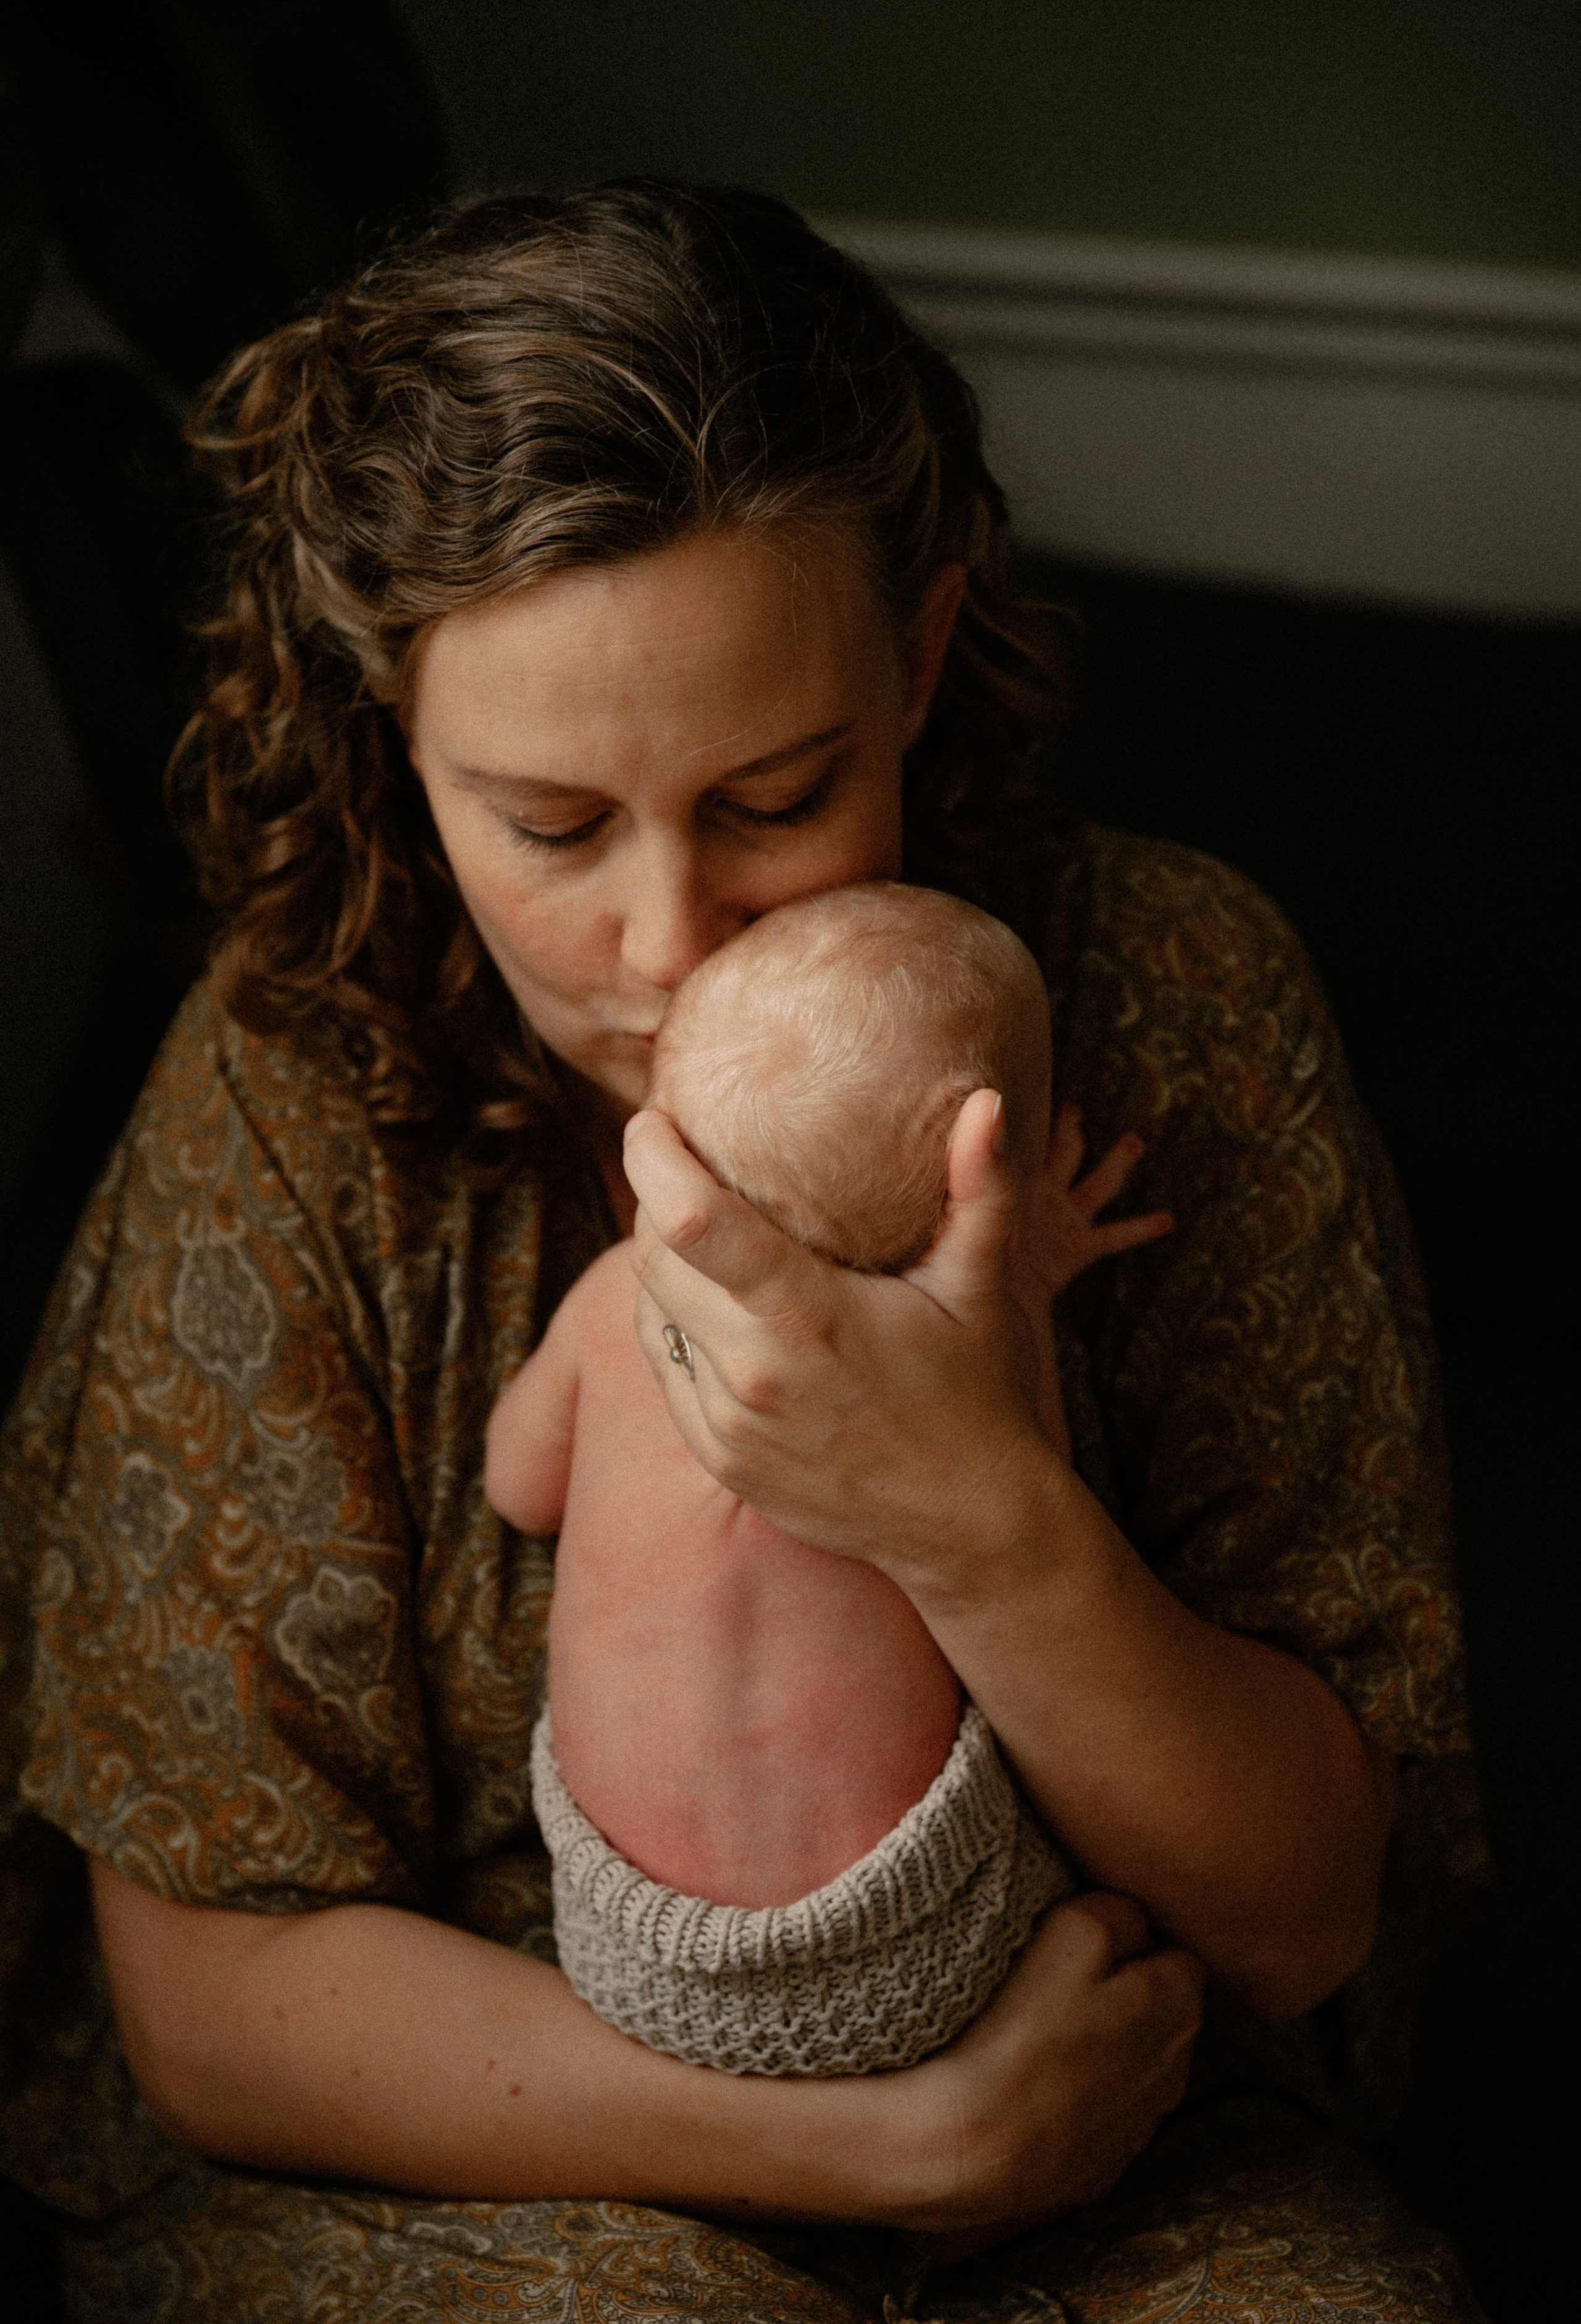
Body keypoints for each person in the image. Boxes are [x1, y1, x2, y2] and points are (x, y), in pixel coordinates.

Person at [0, 182, 1487, 2322]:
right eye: (550, 825)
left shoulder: (1160, 994)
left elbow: (1305, 1921)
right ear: (398, 738)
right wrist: (885, 2143)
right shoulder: (300, 1076)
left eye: (778, 796)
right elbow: (216, 2008)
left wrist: (977, 1517)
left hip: (1119, 2114)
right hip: (490, 2140)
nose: (668, 941)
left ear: (921, 659)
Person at [489, 881, 1175, 2079]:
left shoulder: (605, 1310)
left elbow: (516, 1489)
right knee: (1131, 1928)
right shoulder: (975, 1377)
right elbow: (1034, 1508)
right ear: (986, 1185)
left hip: (625, 1959)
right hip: (914, 1968)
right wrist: (1023, 1290)